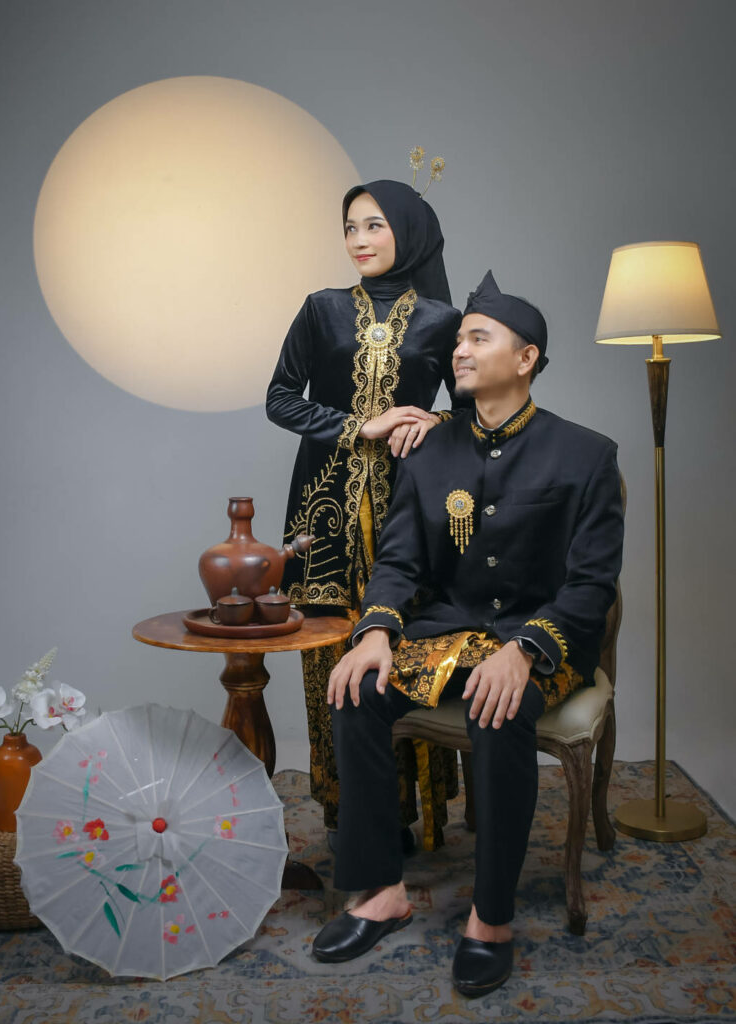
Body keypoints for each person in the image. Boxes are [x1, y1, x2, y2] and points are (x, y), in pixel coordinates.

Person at [312, 270, 624, 997]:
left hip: (541, 639)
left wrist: (525, 652)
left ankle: (491, 918)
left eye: (478, 339)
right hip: (448, 631)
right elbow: (399, 561)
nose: (459, 350)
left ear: (526, 358)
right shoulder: (431, 448)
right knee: (356, 691)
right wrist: (375, 631)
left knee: (500, 706)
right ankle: (380, 892)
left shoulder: (586, 454)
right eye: (458, 340)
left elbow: (591, 585)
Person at [266, 179, 466, 850]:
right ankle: (346, 810)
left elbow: (474, 415)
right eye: (350, 227)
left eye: (374, 225)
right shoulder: (321, 310)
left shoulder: (443, 320)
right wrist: (361, 426)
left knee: (406, 648)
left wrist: (431, 423)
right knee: (330, 653)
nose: (358, 239)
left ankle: (407, 812)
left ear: (407, 231)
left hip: (410, 509)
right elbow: (280, 398)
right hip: (324, 510)